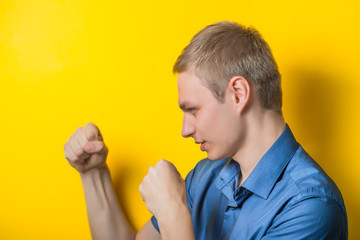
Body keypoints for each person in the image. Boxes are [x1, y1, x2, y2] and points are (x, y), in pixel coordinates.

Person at [63, 21, 348, 240]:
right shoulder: (205, 177)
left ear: (238, 93)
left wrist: (174, 214)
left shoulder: (311, 207)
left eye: (193, 109)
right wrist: (93, 175)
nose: (185, 130)